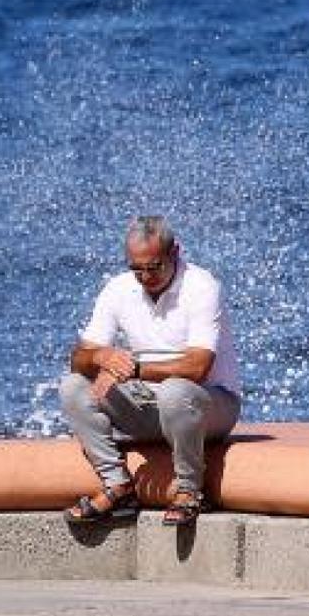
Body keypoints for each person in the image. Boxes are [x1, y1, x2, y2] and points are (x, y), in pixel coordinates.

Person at [59, 215, 241, 527]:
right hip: (150, 403)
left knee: (175, 391)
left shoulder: (202, 287)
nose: (145, 277)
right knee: (73, 387)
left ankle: (188, 490)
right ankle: (118, 485)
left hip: (210, 403)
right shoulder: (117, 289)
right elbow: (79, 359)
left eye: (153, 267)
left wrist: (134, 370)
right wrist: (101, 356)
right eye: (136, 269)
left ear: (175, 253)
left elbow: (197, 368)